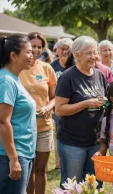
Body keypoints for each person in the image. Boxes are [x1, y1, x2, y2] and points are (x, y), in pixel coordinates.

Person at [0, 34, 36, 194]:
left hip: (19, 152)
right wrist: (14, 159)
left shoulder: (12, 78)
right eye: (28, 52)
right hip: (7, 155)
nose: (32, 55)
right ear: (13, 56)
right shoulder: (6, 81)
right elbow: (2, 122)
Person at [55, 36, 108, 187]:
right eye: (89, 53)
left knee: (94, 185)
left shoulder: (99, 75)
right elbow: (59, 110)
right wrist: (86, 103)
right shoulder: (67, 77)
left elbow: (104, 100)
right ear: (76, 55)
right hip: (73, 143)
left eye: (95, 52)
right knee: (73, 186)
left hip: (96, 142)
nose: (94, 57)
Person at [18, 32, 57, 194]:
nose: (36, 49)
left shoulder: (47, 68)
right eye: (32, 46)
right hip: (22, 128)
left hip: (44, 127)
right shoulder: (17, 68)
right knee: (26, 170)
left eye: (39, 47)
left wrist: (49, 107)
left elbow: (55, 97)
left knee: (40, 169)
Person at [50, 38, 73, 169]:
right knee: (59, 132)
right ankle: (58, 162)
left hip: (72, 103)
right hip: (57, 105)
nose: (64, 51)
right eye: (62, 48)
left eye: (67, 49)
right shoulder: (53, 66)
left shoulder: (74, 65)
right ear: (57, 50)